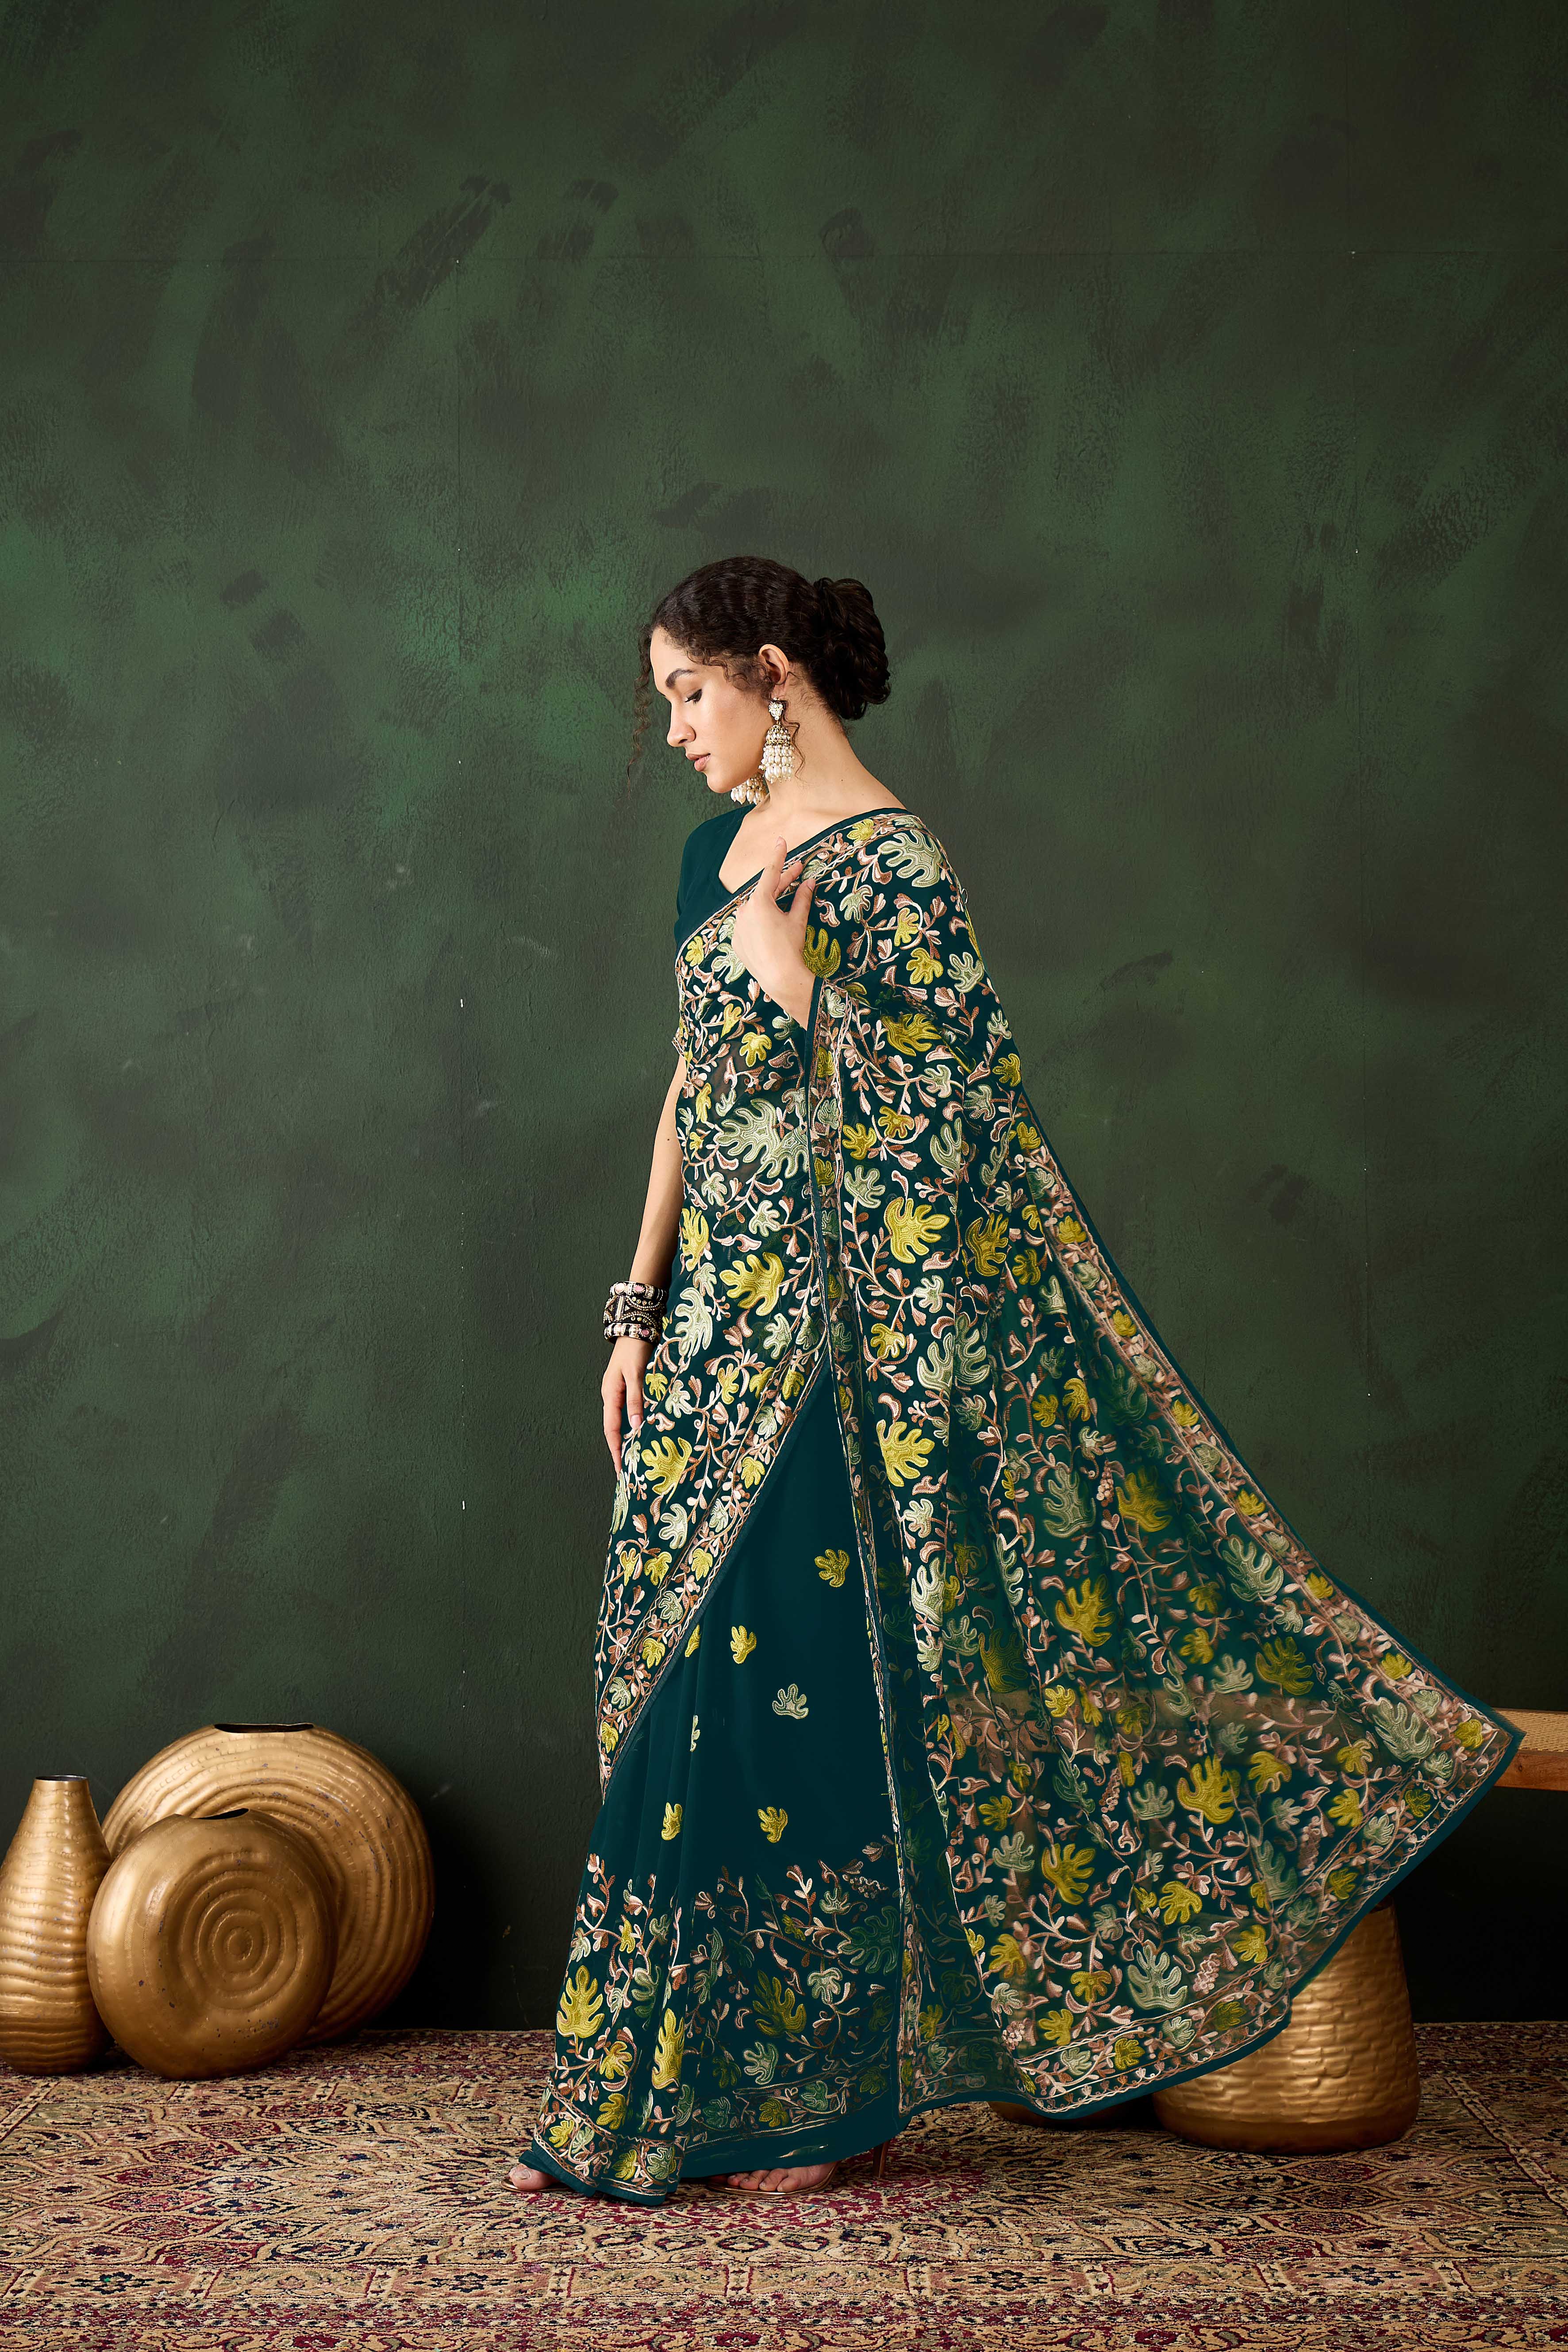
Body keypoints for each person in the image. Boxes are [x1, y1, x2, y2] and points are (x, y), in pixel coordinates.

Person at [508, 555, 1522, 2207]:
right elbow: (689, 1088)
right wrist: (637, 1306)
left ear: (772, 675)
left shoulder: (895, 865)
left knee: (796, 1691)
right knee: (675, 1689)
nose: (676, 727)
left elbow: (964, 1119)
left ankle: (827, 2101)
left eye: (690, 691)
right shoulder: (714, 858)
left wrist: (802, 990)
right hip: (708, 1343)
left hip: (839, 1354)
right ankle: (658, 2082)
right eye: (668, 701)